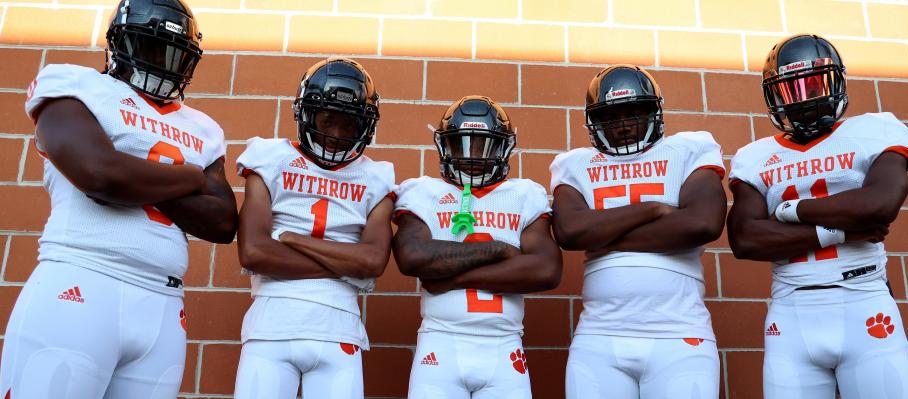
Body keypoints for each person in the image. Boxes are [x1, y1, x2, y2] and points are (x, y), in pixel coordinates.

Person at [1, 0, 237, 397]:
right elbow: (100, 176)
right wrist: (189, 176)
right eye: (149, 47)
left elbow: (223, 222)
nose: (162, 62)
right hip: (82, 279)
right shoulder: (76, 84)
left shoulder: (204, 128)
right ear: (119, 43)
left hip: (163, 303)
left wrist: (135, 173)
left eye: (174, 53)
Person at [727, 34, 908, 398]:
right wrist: (841, 232)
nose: (803, 97)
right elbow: (745, 239)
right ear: (774, 96)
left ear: (834, 82)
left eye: (812, 84)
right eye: (791, 89)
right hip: (792, 309)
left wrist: (789, 211)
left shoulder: (874, 129)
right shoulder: (754, 156)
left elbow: (879, 205)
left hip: (864, 297)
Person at [551, 64, 726, 398]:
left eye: (635, 114)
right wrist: (654, 209)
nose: (624, 126)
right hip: (599, 336)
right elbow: (570, 232)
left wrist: (601, 232)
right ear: (596, 120)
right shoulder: (574, 163)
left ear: (653, 113)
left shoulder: (687, 149)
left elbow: (702, 222)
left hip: (679, 333)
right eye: (613, 117)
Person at [232, 58, 395, 399]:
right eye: (327, 119)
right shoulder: (269, 157)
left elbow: (373, 262)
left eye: (348, 124)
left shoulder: (377, 176)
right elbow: (254, 252)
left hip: (340, 329)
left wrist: (291, 240)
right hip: (271, 325)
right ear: (306, 113)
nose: (335, 134)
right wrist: (346, 268)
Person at [392, 95, 562, 399]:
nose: (473, 155)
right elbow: (413, 256)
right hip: (441, 342)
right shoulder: (425, 191)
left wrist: (450, 278)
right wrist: (498, 249)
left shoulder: (523, 193)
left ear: (503, 148)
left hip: (505, 345)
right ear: (446, 146)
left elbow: (546, 269)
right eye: (462, 144)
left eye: (484, 145)